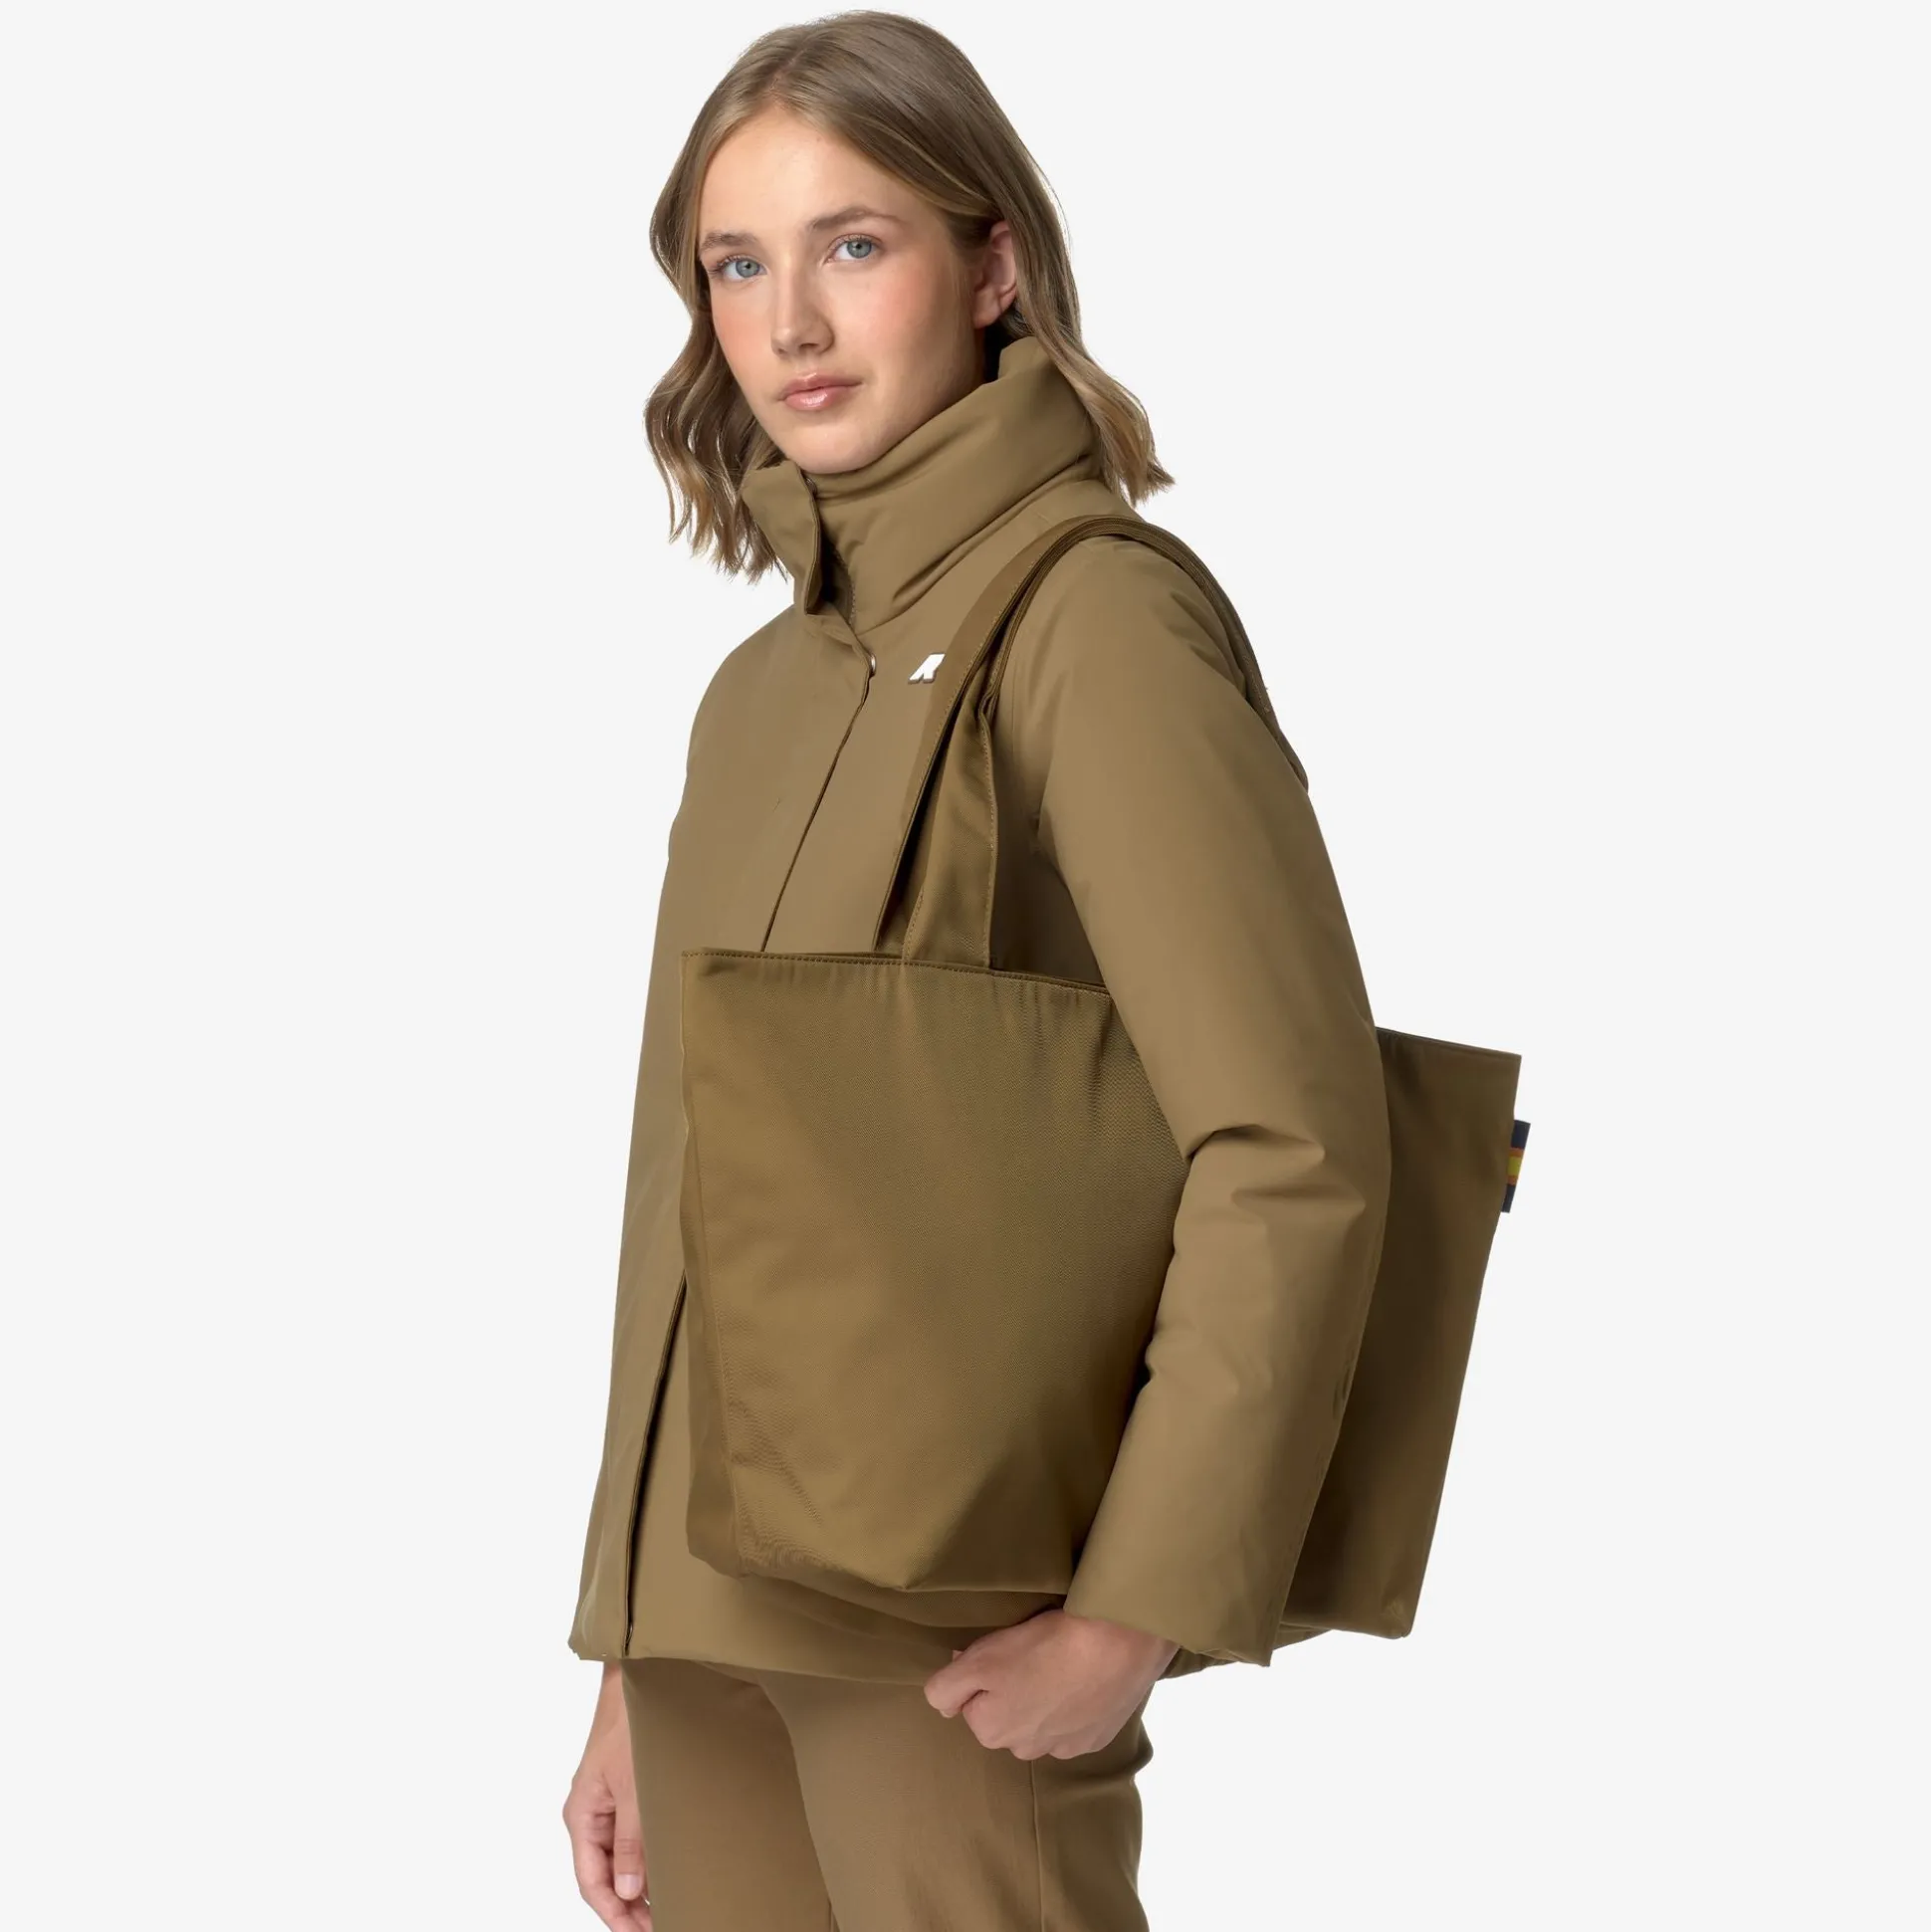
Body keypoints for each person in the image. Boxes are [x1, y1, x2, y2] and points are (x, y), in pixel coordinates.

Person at [561, 13, 1392, 1929]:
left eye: (853, 245)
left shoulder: (1097, 621)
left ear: (992, 261)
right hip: (706, 1640)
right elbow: (694, 1195)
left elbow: (1292, 1143)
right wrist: (626, 1648)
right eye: (737, 265)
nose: (790, 323)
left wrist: (1135, 1610)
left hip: (954, 1649)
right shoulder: (758, 696)